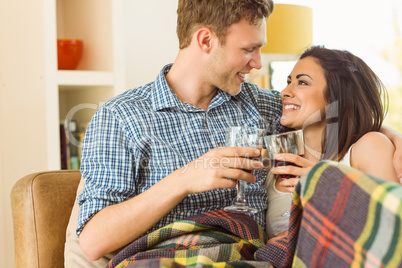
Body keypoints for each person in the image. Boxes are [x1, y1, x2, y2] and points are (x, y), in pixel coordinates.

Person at [76, 1, 402, 261]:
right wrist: (185, 179)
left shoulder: (263, 106)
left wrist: (391, 139)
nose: (258, 62)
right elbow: (92, 242)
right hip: (168, 255)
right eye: (249, 49)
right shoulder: (121, 116)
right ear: (206, 40)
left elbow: (337, 109)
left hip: (251, 256)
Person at [265, 45, 400, 239]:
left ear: (335, 95)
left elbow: (394, 221)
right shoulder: (278, 163)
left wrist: (327, 185)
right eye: (288, 82)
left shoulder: (367, 147)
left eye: (302, 82)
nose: (285, 91)